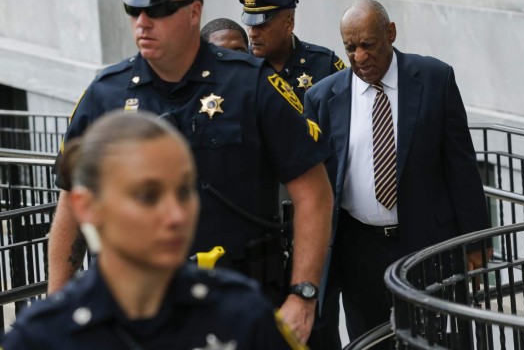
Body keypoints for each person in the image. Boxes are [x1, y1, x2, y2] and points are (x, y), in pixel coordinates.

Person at [47, 0, 333, 344]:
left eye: (159, 10)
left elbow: (313, 192)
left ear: (194, 11)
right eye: (134, 10)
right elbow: (72, 204)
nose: (142, 23)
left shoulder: (251, 85)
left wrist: (303, 294)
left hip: (239, 306)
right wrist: (60, 305)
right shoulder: (106, 94)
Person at [0, 111, 303, 349]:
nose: (176, 215)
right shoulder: (42, 339)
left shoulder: (242, 314)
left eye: (184, 191)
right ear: (87, 207)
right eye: (147, 196)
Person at [303, 0, 491, 349]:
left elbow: (461, 166)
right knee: (371, 339)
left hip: (426, 240)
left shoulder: (435, 78)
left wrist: (476, 241)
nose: (359, 57)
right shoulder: (323, 97)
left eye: (368, 45)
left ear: (390, 33)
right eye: (350, 48)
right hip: (359, 248)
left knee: (430, 337)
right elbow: (315, 184)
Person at [239, 0, 346, 103]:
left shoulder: (325, 65)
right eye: (250, 25)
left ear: (289, 24)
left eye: (261, 25)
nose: (252, 33)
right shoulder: (241, 66)